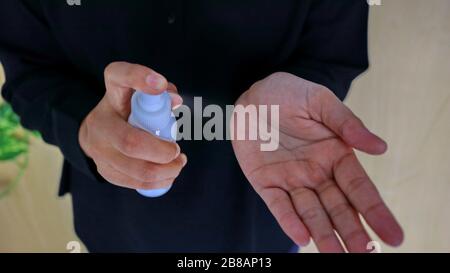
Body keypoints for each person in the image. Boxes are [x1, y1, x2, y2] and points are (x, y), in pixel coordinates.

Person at [0, 0, 403, 252]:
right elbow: (29, 72)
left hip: (265, 214)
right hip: (115, 223)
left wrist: (305, 90)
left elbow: (334, 54)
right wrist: (83, 125)